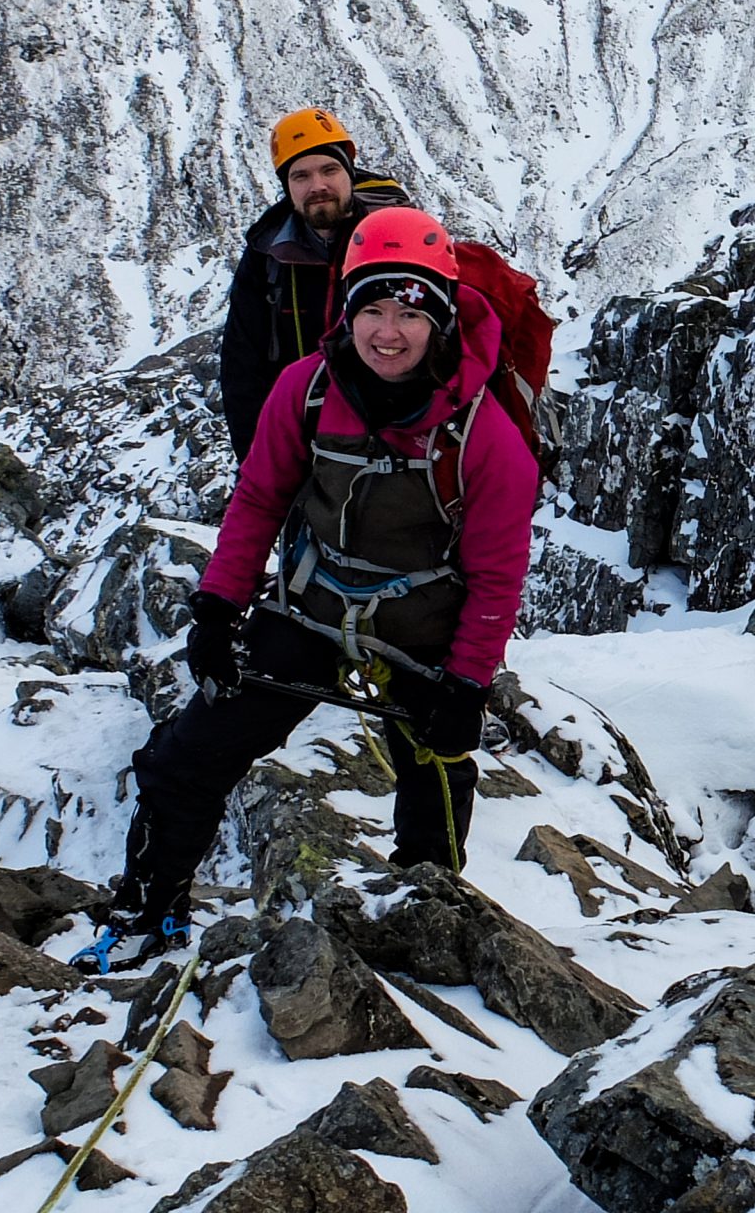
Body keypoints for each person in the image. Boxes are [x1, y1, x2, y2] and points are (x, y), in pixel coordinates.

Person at [86, 208, 540, 967]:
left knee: (435, 777)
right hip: (313, 603)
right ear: (346, 309)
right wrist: (218, 606)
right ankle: (147, 909)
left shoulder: (486, 438)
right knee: (182, 760)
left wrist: (465, 687)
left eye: (408, 312)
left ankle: (423, 924)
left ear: (442, 321)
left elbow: (497, 578)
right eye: (371, 307)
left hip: (424, 625)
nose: (386, 332)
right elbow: (259, 499)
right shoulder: (307, 390)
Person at [219, 107, 410, 460]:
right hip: (299, 442)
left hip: (392, 441)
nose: (317, 186)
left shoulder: (398, 238)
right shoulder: (267, 257)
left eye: (329, 169)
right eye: (301, 176)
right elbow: (242, 367)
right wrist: (258, 462)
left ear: (349, 173)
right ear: (287, 188)